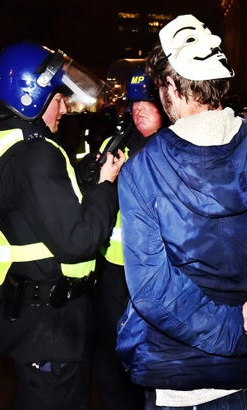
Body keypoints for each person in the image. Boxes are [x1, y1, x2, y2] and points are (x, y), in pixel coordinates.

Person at [115, 14, 247, 409]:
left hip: (176, 377)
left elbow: (151, 291)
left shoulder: (141, 172)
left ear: (168, 86)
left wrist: (234, 325)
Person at [0, 41, 124, 410]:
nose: (63, 107)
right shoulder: (35, 153)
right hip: (50, 326)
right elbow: (78, 240)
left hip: (27, 315)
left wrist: (85, 183)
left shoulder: (1, 144)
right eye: (57, 98)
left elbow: (35, 214)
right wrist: (106, 185)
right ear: (30, 95)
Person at [92, 66, 168, 410]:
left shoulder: (177, 147)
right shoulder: (116, 143)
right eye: (134, 102)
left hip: (158, 271)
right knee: (112, 355)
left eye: (147, 102)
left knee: (154, 355)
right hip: (114, 270)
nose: (138, 109)